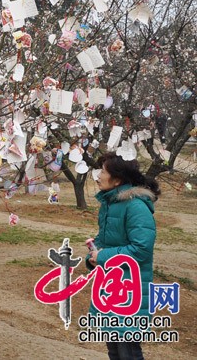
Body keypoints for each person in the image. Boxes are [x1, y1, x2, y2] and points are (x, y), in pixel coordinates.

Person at [87, 152, 159, 360]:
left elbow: (141, 249)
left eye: (103, 171)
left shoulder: (135, 206)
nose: (98, 176)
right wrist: (93, 253)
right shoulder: (111, 203)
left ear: (117, 179)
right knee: (115, 351)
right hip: (112, 287)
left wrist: (103, 256)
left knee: (128, 353)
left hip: (130, 291)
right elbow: (106, 241)